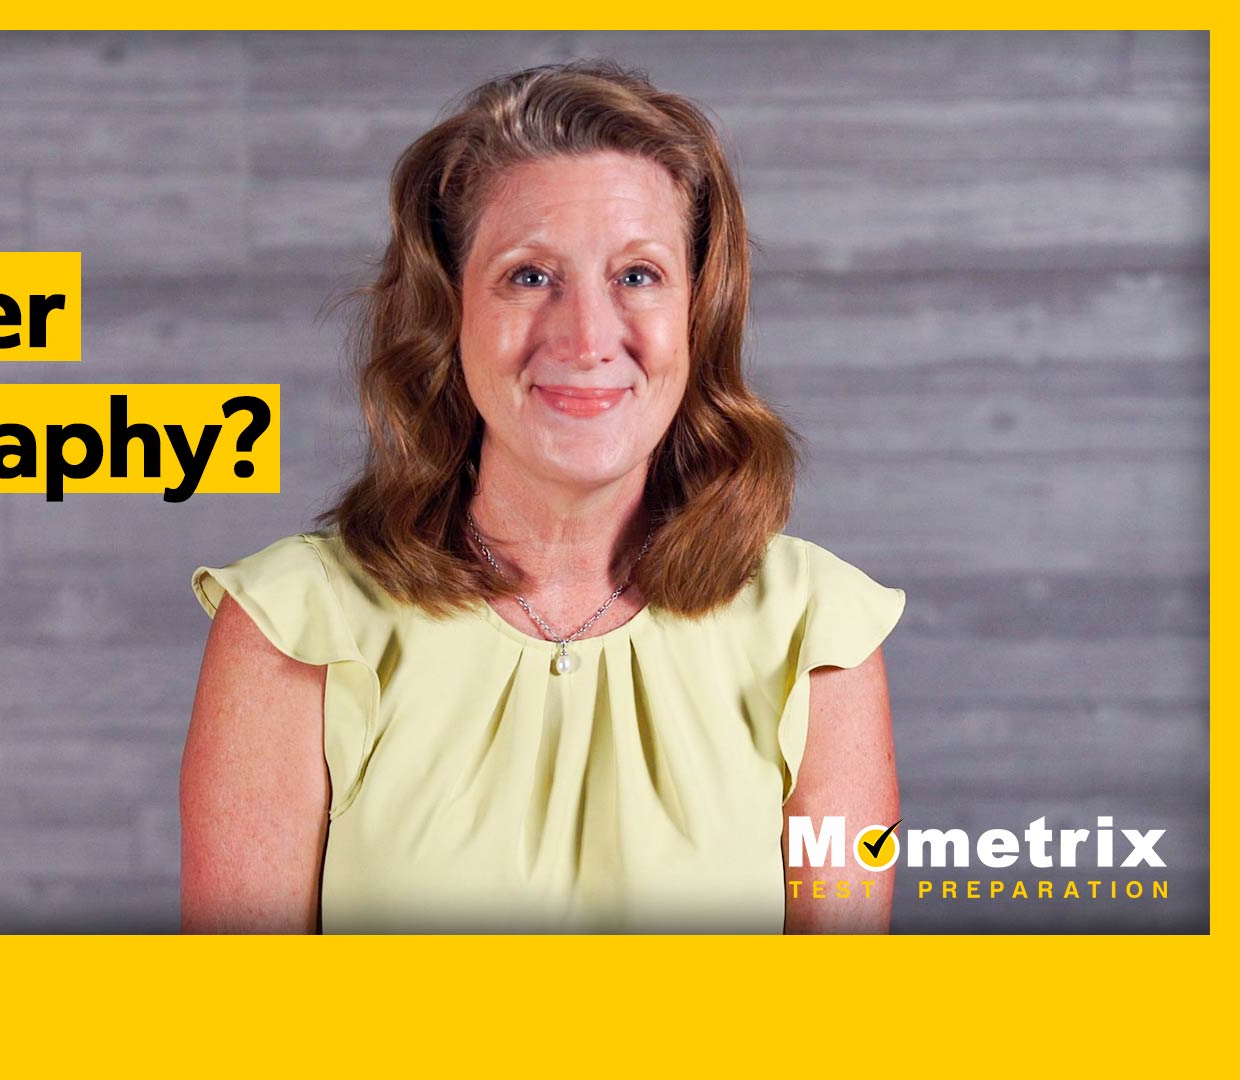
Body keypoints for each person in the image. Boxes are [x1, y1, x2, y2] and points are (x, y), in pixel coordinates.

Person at [181, 59, 904, 934]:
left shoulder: (816, 634)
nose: (589, 336)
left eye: (638, 275)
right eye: (530, 276)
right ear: (450, 311)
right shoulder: (294, 628)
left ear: (698, 312)